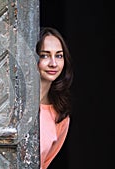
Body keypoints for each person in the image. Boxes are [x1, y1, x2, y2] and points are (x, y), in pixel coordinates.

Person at [35, 27, 74, 169]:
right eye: (44, 55)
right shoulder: (9, 105)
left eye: (59, 56)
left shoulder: (60, 116)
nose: (53, 63)